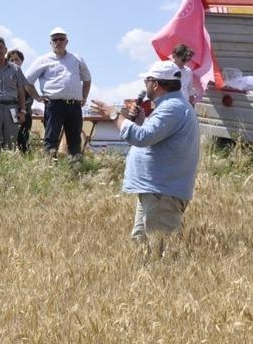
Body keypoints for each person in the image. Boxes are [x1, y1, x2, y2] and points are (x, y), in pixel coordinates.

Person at [91, 61, 199, 251]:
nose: (145, 86)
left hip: (161, 191)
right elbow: (150, 137)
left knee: (162, 250)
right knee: (144, 248)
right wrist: (140, 122)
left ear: (155, 84)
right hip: (157, 191)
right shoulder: (171, 106)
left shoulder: (171, 108)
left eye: (147, 81)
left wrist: (115, 115)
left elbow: (141, 138)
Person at [24, 27, 91, 157]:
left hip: (74, 105)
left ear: (67, 41)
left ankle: (75, 169)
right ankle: (49, 169)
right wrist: (37, 97)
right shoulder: (43, 60)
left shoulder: (77, 59)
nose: (58, 42)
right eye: (55, 39)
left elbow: (87, 79)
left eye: (61, 39)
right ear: (51, 43)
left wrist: (84, 97)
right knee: (51, 139)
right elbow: (27, 81)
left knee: (75, 140)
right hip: (54, 105)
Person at [7, 49, 37, 152]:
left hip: (25, 115)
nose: (14, 62)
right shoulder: (5, 80)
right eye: (11, 60)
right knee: (9, 142)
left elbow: (31, 97)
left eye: (17, 59)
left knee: (23, 141)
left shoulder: (27, 78)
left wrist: (22, 111)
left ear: (21, 61)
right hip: (8, 114)